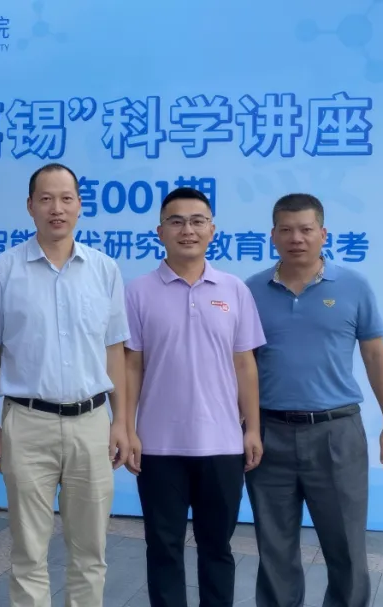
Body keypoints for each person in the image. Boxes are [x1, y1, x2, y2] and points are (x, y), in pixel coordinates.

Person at [0, 162, 130, 607]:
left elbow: (114, 350)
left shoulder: (104, 269)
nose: (56, 209)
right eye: (46, 199)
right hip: (27, 423)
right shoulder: (4, 269)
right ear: (30, 206)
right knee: (28, 552)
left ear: (80, 205)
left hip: (91, 423)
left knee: (90, 552)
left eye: (66, 199)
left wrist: (121, 421)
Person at [244, 193, 383, 607]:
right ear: (273, 235)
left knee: (346, 546)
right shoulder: (251, 290)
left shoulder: (354, 286)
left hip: (336, 433)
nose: (296, 238)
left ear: (323, 234)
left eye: (306, 229)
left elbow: (375, 356)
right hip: (269, 433)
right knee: (274, 549)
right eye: (286, 230)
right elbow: (241, 365)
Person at [122, 187, 265, 607]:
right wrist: (128, 429)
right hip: (158, 446)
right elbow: (131, 366)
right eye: (177, 221)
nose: (188, 230)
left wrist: (252, 429)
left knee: (217, 547)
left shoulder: (234, 289)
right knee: (163, 547)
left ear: (212, 230)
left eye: (197, 221)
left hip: (222, 444)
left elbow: (245, 364)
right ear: (160, 231)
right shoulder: (137, 292)